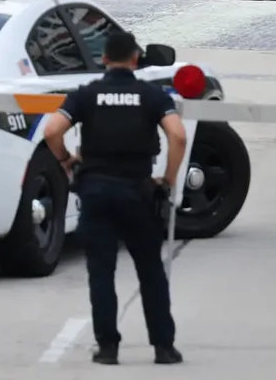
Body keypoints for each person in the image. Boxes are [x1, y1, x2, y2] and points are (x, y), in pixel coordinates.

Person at [42, 31, 187, 365]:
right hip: (137, 191)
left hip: (96, 191)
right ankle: (163, 347)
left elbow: (52, 130)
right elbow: (177, 135)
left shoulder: (86, 95)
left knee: (101, 273)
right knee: (150, 271)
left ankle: (108, 347)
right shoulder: (151, 95)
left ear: (104, 59)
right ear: (136, 60)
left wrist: (66, 160)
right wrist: (168, 179)